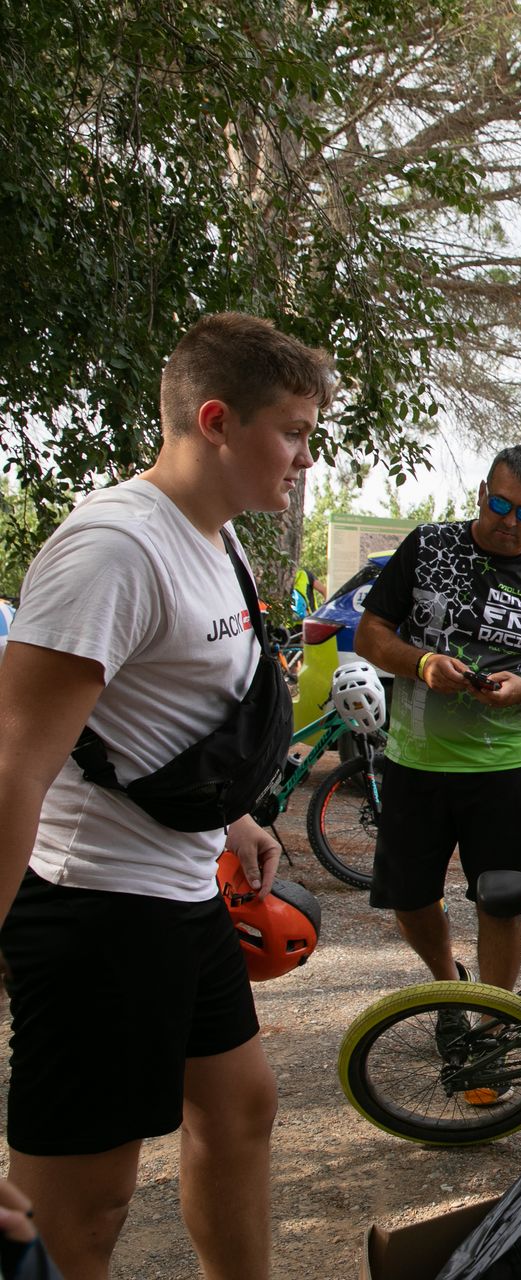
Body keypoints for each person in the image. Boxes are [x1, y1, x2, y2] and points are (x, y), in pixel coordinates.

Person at [0, 312, 334, 1280]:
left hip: (181, 894)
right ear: (217, 421)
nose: (305, 458)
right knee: (84, 1204)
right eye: (293, 432)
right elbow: (16, 764)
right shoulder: (114, 549)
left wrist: (231, 819)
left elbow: (154, 714)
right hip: (97, 908)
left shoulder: (215, 539)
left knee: (240, 1109)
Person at [354, 446, 521, 1004]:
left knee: (502, 901)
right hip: (416, 761)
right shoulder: (429, 546)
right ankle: (450, 985)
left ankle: (491, 1020)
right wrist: (423, 664)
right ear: (482, 493)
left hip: (503, 768)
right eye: (500, 505)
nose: (510, 522)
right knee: (409, 897)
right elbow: (369, 634)